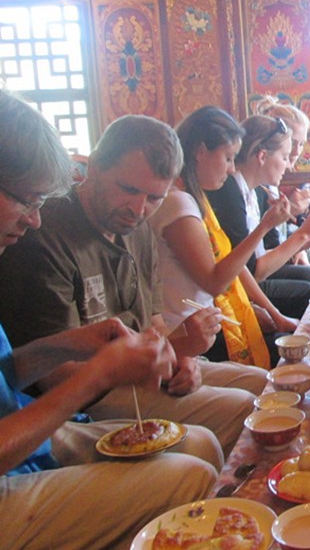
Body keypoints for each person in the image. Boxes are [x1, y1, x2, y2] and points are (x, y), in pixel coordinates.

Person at [0, 91, 221, 549]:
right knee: (189, 476)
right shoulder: (40, 245)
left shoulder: (135, 232)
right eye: (27, 201)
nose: (35, 221)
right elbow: (54, 389)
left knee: (201, 447)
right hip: (20, 451)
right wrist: (99, 372)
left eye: (154, 198)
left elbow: (8, 375)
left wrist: (67, 343)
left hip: (26, 433)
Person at [0, 112, 265, 456]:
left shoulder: (138, 229)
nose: (138, 210)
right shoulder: (44, 237)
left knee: (262, 385)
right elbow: (52, 379)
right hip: (87, 395)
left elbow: (153, 325)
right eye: (128, 190)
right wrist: (115, 366)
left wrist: (179, 356)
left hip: (130, 373)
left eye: (155, 198)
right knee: (238, 413)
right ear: (95, 167)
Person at [150, 106, 310, 366]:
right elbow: (216, 281)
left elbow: (230, 261)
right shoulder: (179, 202)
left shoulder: (195, 198)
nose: (232, 169)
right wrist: (267, 227)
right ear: (200, 152)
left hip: (211, 318)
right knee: (297, 355)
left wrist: (271, 313)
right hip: (189, 333)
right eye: (229, 158)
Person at [205, 113, 310, 321]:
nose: (289, 165)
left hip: (250, 274)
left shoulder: (257, 190)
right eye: (284, 157)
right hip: (234, 288)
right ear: (262, 156)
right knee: (308, 289)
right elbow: (253, 271)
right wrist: (303, 234)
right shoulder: (229, 193)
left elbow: (260, 253)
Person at [253, 97, 310, 272]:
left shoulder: (272, 180)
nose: (296, 151)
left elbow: (279, 232)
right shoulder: (257, 182)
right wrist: (299, 240)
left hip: (281, 251)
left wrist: (299, 242)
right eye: (293, 143)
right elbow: (261, 245)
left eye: (301, 144)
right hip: (267, 263)